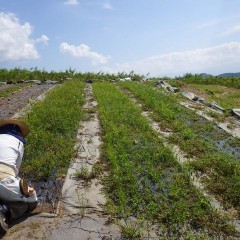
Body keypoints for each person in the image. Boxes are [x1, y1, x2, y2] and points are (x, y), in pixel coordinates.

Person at [0, 119, 38, 234]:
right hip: (3, 180)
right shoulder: (18, 142)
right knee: (32, 199)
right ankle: (4, 210)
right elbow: (14, 171)